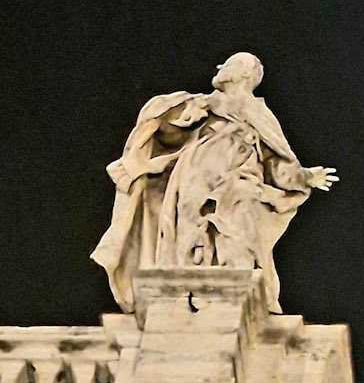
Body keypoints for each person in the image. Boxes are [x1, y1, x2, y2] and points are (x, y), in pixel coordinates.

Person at [92, 54, 336, 312]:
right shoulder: (201, 104)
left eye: (228, 65)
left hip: (239, 179)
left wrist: (303, 177)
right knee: (185, 222)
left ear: (244, 73)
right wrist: (174, 112)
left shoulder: (258, 113)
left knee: (239, 220)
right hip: (194, 173)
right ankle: (186, 284)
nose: (220, 68)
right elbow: (165, 129)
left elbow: (276, 162)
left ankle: (229, 291)